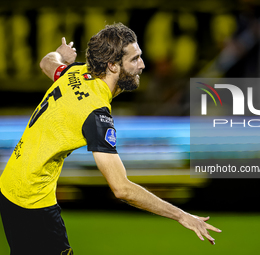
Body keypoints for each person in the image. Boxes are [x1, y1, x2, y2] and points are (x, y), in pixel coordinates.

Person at [0, 23, 221, 255]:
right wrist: (182, 215)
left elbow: (47, 63)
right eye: (135, 59)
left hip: (12, 188)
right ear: (113, 65)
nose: (143, 65)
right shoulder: (96, 115)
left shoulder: (75, 73)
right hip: (31, 202)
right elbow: (121, 188)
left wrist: (60, 55)